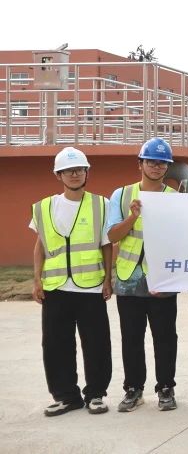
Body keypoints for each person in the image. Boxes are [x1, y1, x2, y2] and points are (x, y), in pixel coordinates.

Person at [30, 147, 113, 416]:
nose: (74, 174)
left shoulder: (101, 204)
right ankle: (66, 396)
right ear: (58, 175)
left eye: (79, 169)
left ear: (87, 172)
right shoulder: (44, 207)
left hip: (91, 286)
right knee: (55, 345)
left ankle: (96, 394)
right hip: (55, 288)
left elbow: (106, 244)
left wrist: (108, 278)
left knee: (97, 343)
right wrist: (37, 280)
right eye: (68, 171)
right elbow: (40, 245)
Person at [106, 137, 179, 412]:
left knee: (165, 338)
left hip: (162, 278)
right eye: (151, 162)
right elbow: (112, 235)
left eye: (162, 163)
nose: (157, 167)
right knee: (132, 338)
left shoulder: (174, 198)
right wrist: (132, 217)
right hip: (129, 279)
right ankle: (133, 389)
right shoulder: (122, 195)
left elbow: (180, 239)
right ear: (140, 164)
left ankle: (166, 387)